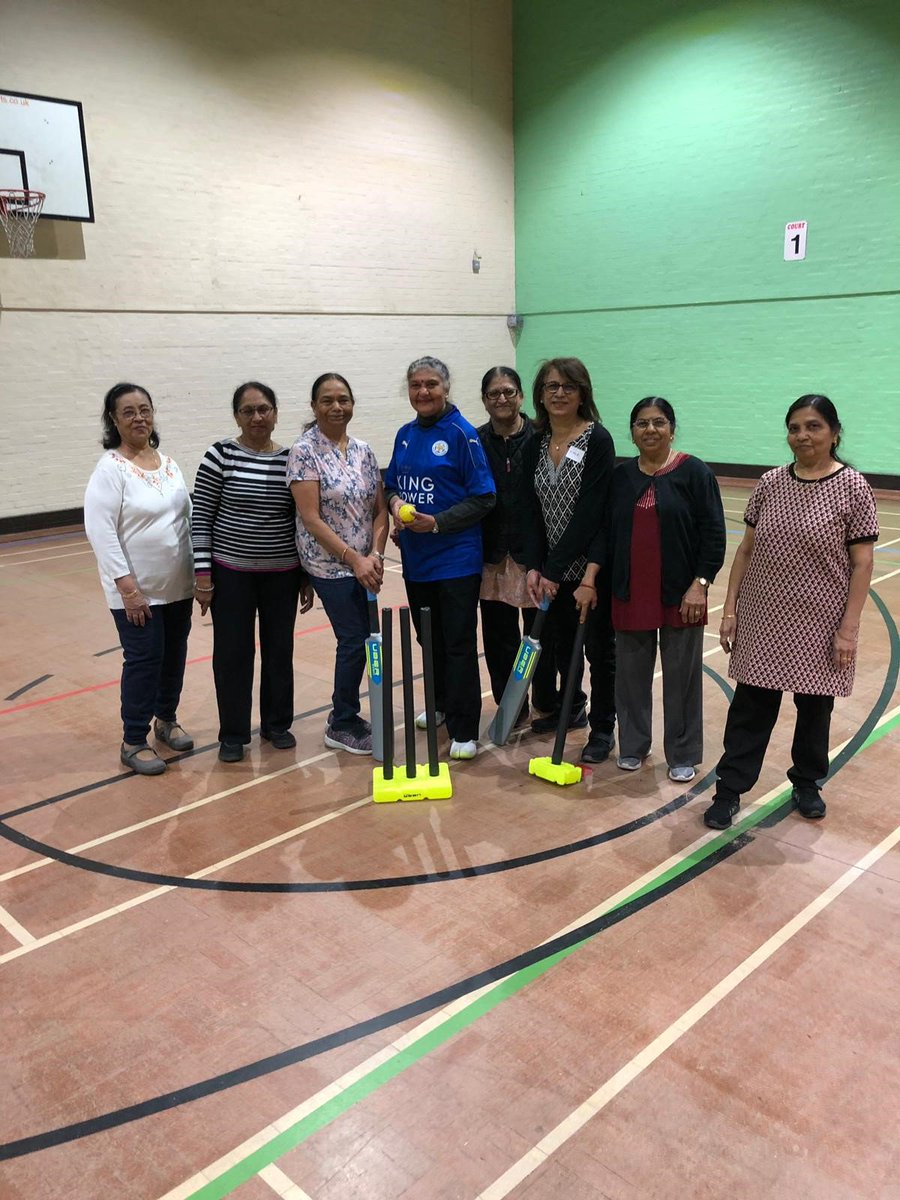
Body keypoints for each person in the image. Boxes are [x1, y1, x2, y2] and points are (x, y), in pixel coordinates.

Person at [704, 395, 878, 829]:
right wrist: (731, 610)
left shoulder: (853, 487)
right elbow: (745, 551)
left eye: (813, 426)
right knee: (750, 709)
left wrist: (848, 629)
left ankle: (807, 783)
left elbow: (863, 564)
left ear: (834, 432)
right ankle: (729, 790)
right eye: (795, 427)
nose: (802, 435)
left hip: (821, 622)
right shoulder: (769, 483)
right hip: (764, 619)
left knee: (815, 710)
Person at [191, 381, 312, 764]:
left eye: (264, 409)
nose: (257, 417)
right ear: (237, 416)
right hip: (232, 574)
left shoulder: (293, 458)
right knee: (232, 654)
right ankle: (233, 734)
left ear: (276, 413)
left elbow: (302, 520)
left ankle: (277, 725)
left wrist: (306, 576)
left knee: (280, 651)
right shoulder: (220, 455)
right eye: (248, 411)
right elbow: (201, 518)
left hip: (283, 574)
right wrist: (203, 576)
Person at [607, 398, 726, 782]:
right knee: (629, 677)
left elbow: (714, 534)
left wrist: (700, 584)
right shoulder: (621, 477)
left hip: (682, 595)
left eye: (659, 422)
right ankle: (633, 745)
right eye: (641, 423)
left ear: (672, 429)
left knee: (683, 678)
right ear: (632, 432)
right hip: (630, 592)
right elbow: (606, 535)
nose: (650, 430)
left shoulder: (695, 473)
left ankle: (683, 752)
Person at [384, 356, 496, 760]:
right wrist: (396, 503)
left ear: (446, 388)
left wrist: (436, 524)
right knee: (427, 639)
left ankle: (465, 728)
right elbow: (391, 484)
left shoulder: (463, 435)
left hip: (456, 560)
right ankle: (441, 706)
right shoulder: (405, 434)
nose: (423, 392)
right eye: (416, 385)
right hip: (418, 562)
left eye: (431, 384)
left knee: (458, 644)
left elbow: (485, 497)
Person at [84, 383, 194, 775]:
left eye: (144, 409)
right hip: (137, 592)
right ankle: (133, 740)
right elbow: (101, 531)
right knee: (145, 659)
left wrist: (196, 573)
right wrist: (128, 589)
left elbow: (186, 518)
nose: (139, 418)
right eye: (128, 412)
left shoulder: (168, 463)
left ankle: (166, 720)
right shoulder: (110, 469)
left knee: (174, 656)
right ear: (113, 420)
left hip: (177, 585)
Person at [287, 373, 388, 754]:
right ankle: (341, 721)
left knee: (363, 639)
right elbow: (311, 519)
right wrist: (353, 559)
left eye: (343, 399)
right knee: (354, 640)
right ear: (314, 407)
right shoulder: (304, 450)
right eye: (327, 400)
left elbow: (380, 511)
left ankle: (347, 714)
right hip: (329, 567)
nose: (336, 407)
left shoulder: (363, 450)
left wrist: (374, 556)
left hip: (366, 564)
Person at [524, 357, 617, 764]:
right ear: (540, 395)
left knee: (599, 652)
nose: (559, 393)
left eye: (568, 386)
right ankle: (571, 709)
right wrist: (535, 566)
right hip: (551, 574)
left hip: (589, 571)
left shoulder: (597, 440)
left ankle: (602, 729)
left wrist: (555, 569)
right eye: (551, 386)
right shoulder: (534, 442)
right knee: (563, 651)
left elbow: (592, 512)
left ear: (583, 393)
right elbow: (529, 510)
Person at [477, 366, 556, 729]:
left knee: (542, 634)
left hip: (535, 555)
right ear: (485, 401)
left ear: (522, 396)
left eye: (509, 391)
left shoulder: (544, 437)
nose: (502, 399)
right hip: (491, 555)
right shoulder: (474, 441)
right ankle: (511, 706)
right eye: (494, 394)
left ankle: (547, 701)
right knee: (498, 639)